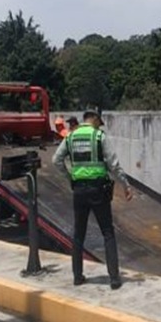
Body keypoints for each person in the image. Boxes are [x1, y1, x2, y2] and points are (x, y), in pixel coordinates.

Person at [52, 110, 132, 290]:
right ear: (94, 119)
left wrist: (70, 177)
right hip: (98, 190)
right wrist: (125, 185)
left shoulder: (71, 137)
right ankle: (114, 278)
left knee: (79, 233)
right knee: (107, 232)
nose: (99, 125)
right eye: (99, 122)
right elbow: (113, 164)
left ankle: (77, 277)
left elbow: (56, 160)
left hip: (79, 190)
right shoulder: (98, 136)